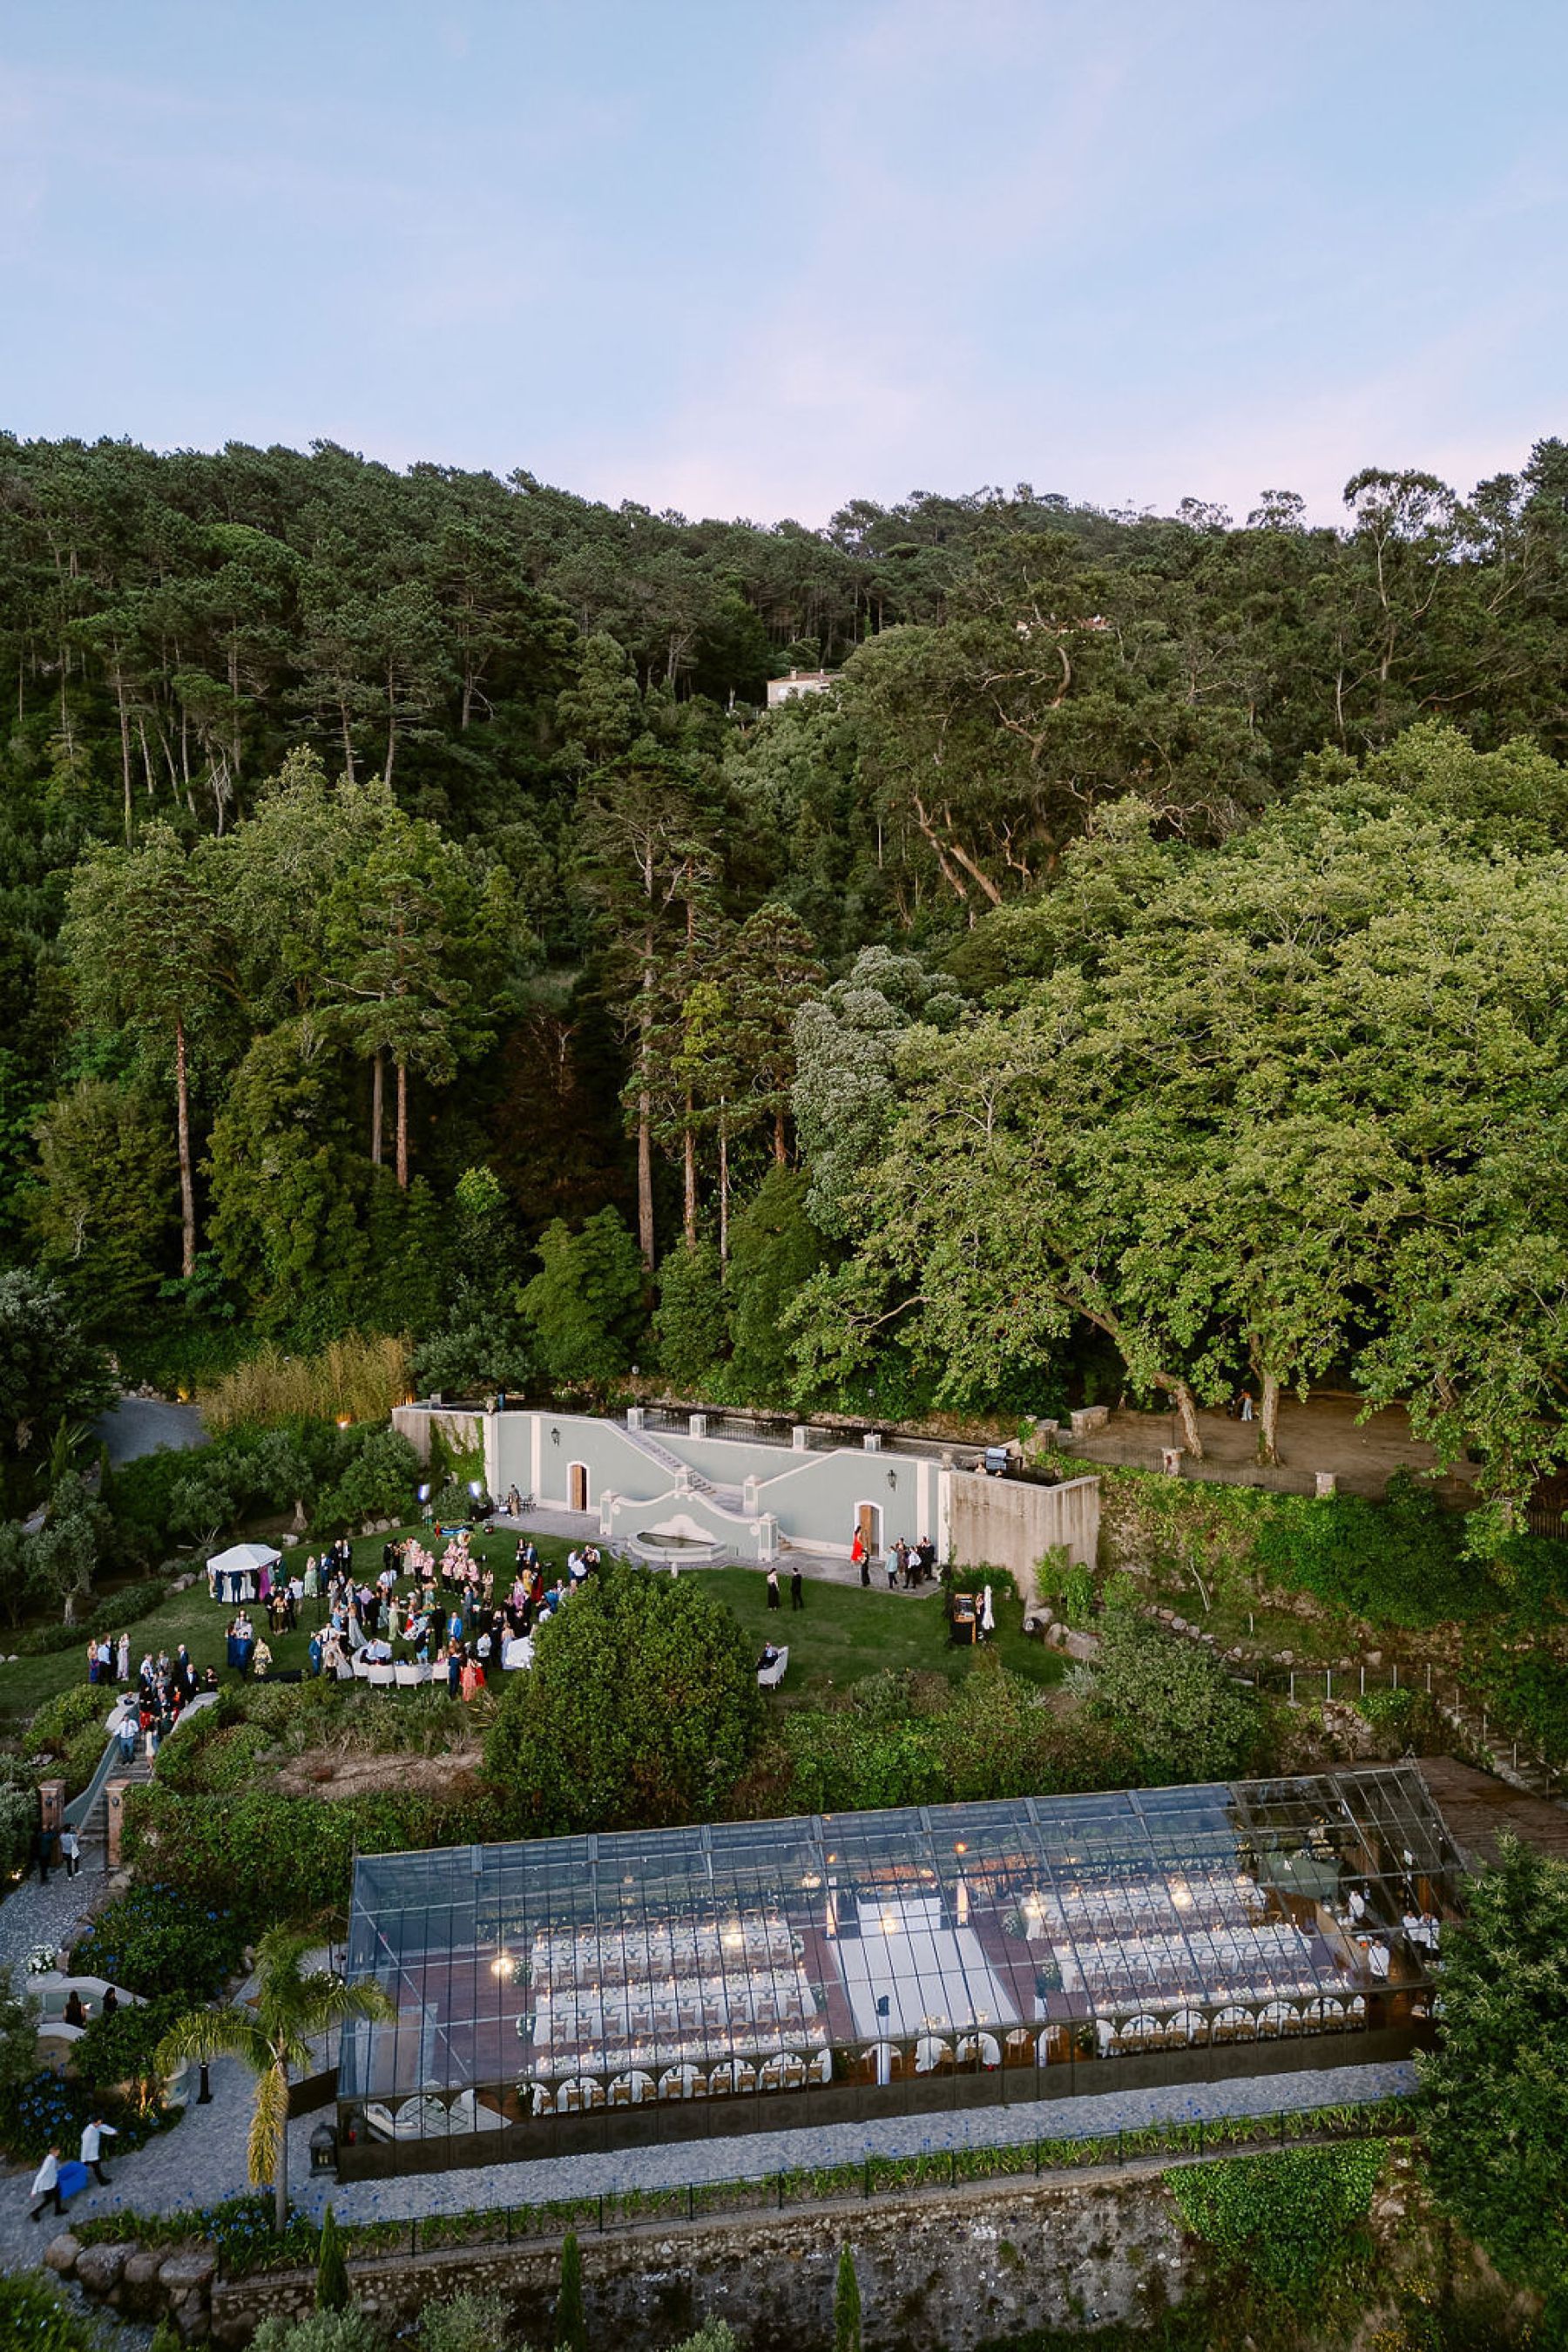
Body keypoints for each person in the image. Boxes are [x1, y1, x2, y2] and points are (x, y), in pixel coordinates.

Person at [29, 2145, 64, 2222]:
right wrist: (34, 2191)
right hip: (48, 2185)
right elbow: (39, 2175)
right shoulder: (48, 2161)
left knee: (57, 2195)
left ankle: (58, 2210)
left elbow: (52, 2170)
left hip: (52, 2182)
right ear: (54, 2152)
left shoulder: (52, 2158)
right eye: (58, 2151)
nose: (59, 2153)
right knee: (48, 2200)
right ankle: (35, 2212)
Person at [79, 2115, 116, 2186]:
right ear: (93, 2122)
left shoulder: (96, 2126)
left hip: (93, 2152)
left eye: (100, 2122)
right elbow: (85, 2147)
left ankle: (102, 2180)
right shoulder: (88, 2133)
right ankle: (102, 2181)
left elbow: (103, 2127)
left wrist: (113, 2132)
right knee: (97, 2168)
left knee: (96, 2167)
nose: (99, 2124)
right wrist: (83, 2159)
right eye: (98, 2123)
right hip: (90, 2155)